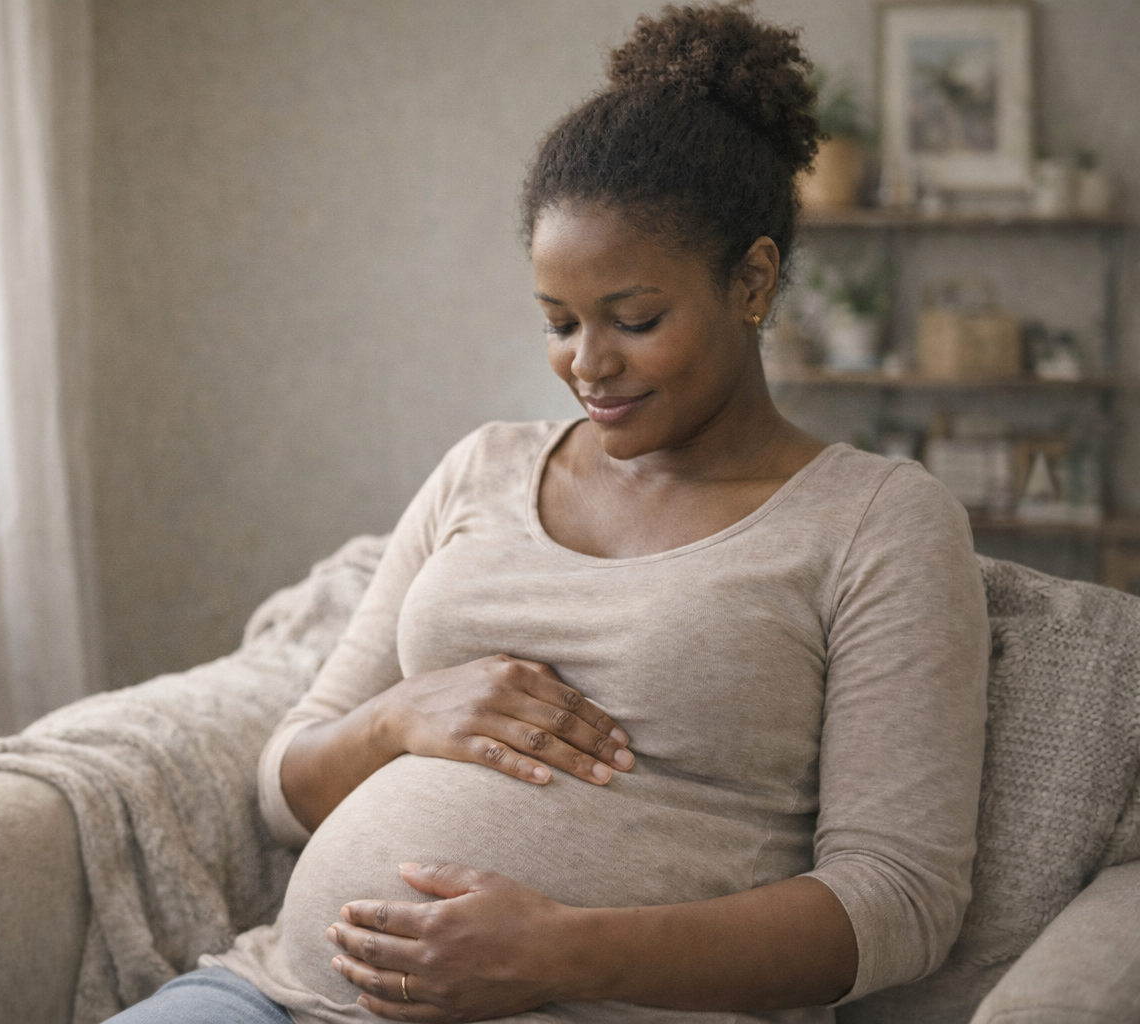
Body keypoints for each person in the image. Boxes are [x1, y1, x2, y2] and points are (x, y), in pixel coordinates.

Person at [106, 4, 988, 1022]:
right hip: (279, 995)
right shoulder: (481, 467)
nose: (589, 365)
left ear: (752, 280)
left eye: (635, 319)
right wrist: (399, 716)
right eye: (559, 323)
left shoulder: (879, 522)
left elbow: (901, 900)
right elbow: (287, 784)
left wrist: (563, 954)